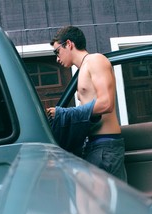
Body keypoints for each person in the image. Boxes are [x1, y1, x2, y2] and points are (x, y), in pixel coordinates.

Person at [47, 26, 127, 181]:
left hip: (105, 146)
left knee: (107, 204)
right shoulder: (83, 69)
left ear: (69, 44)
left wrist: (64, 113)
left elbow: (106, 104)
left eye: (57, 52)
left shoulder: (96, 60)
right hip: (93, 145)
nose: (57, 58)